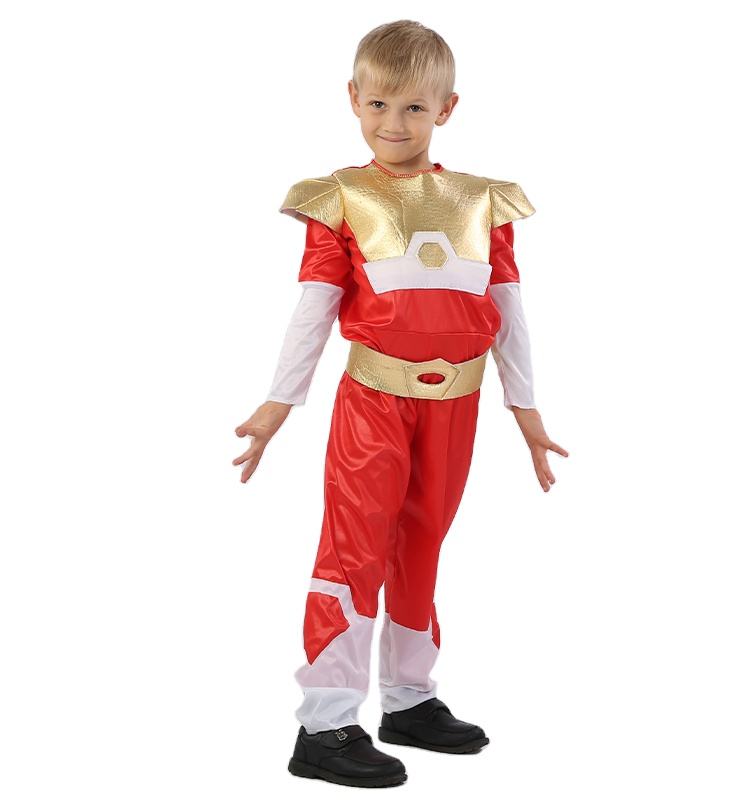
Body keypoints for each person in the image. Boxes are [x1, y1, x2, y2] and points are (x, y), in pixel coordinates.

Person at [233, 19, 569, 789]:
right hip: (374, 404)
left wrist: (526, 410)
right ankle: (324, 724)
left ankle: (410, 700)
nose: (394, 122)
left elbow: (507, 307)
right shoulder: (342, 197)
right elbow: (316, 306)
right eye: (379, 104)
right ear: (354, 99)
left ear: (446, 108)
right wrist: (279, 403)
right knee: (354, 549)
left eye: (414, 107)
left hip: (457, 405)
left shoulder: (482, 201)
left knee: (422, 545)